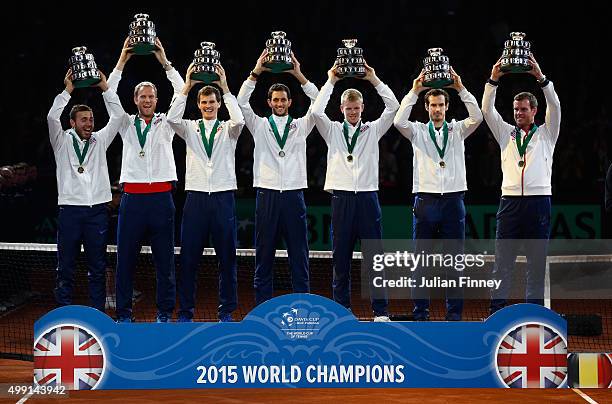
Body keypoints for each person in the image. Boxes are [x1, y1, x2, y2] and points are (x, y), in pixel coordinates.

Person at [312, 62, 399, 321]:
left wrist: (373, 79)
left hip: (368, 199)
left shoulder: (372, 130)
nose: (352, 112)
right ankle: (341, 311)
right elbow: (316, 111)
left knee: (375, 259)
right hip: (341, 199)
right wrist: (331, 80)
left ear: (363, 108)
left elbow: (393, 107)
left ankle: (381, 312)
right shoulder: (332, 130)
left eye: (356, 108)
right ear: (341, 109)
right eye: (348, 108)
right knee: (341, 259)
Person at [393, 68, 483, 320]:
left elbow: (477, 116)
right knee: (421, 262)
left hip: (454, 201)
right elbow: (398, 121)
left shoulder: (458, 130)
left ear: (447, 106)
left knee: (455, 263)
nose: (437, 109)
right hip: (425, 201)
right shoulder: (417, 131)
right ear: (426, 107)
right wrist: (414, 90)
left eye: (441, 105)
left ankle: (453, 315)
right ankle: (420, 313)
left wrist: (461, 88)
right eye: (433, 105)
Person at [107, 37, 184, 322]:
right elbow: (109, 95)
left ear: (157, 100)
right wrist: (123, 60)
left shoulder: (167, 124)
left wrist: (164, 62)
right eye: (143, 97)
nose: (147, 100)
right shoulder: (125, 124)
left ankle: (164, 313)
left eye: (151, 96)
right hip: (133, 200)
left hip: (162, 199)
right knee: (125, 261)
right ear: (135, 100)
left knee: (165, 263)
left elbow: (183, 92)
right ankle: (124, 314)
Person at [236, 50, 318, 305]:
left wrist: (298, 74)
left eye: (283, 100)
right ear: (269, 102)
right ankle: (262, 307)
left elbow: (320, 101)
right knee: (264, 254)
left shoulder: (302, 126)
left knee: (299, 255)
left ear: (290, 102)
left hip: (294, 195)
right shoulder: (259, 125)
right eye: (275, 100)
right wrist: (256, 71)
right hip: (267, 195)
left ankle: (302, 304)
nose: (280, 104)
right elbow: (240, 102)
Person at [481, 55, 561, 314]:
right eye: (516, 110)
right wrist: (493, 79)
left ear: (534, 111)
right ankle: (496, 312)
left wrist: (541, 78)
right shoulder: (506, 134)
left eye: (523, 109)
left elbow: (556, 106)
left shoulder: (547, 134)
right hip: (510, 203)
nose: (518, 113)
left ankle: (533, 312)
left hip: (539, 202)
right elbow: (486, 110)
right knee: (502, 262)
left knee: (535, 263)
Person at [167, 63, 244, 322]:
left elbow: (240, 119)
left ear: (218, 104)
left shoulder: (229, 130)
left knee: (227, 259)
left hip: (223, 199)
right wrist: (187, 87)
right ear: (198, 104)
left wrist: (225, 87)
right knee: (189, 259)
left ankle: (226, 312)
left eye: (212, 101)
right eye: (204, 102)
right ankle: (186, 312)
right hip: (196, 199)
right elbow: (171, 119)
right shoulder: (189, 127)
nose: (208, 105)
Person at [47, 69, 123, 311]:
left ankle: (97, 313)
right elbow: (51, 117)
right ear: (72, 122)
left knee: (97, 267)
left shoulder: (100, 140)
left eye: (91, 119)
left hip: (96, 212)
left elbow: (119, 117)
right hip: (70, 211)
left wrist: (105, 87)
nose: (89, 123)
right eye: (84, 120)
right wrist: (68, 90)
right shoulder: (61, 141)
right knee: (66, 266)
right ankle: (63, 313)